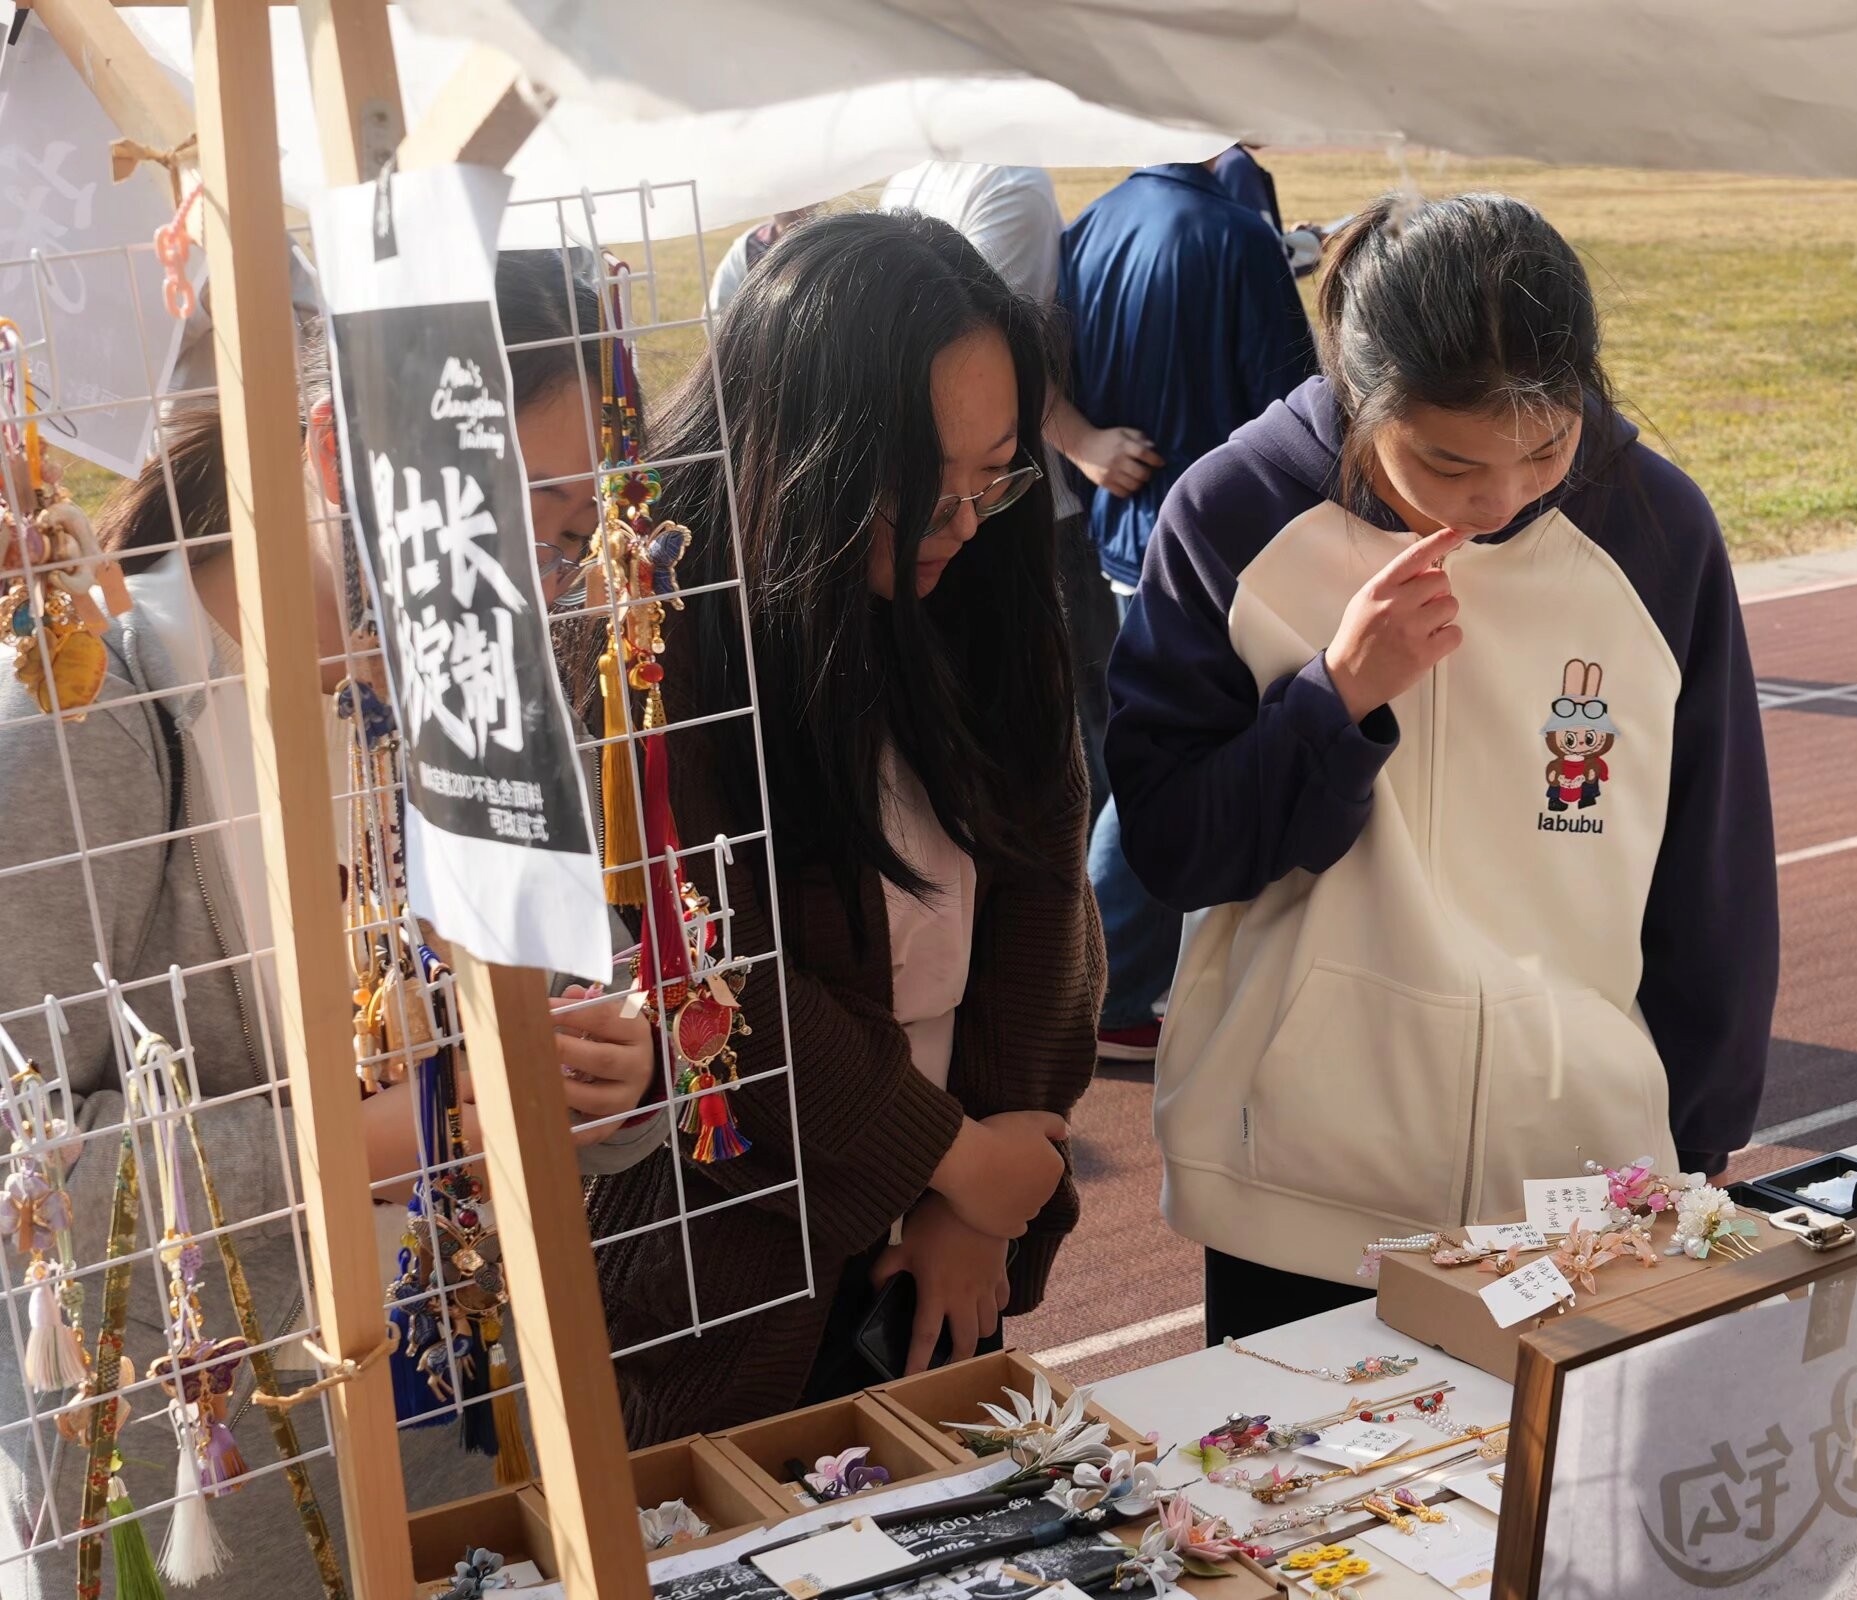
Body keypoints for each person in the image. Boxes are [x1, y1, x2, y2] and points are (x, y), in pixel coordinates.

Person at [0, 251, 653, 1596]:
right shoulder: (93, 719)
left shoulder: (485, 681)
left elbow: (560, 1045)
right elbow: (27, 1174)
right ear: (334, 452)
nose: (542, 577)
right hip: (199, 1513)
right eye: (519, 516)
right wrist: (390, 1132)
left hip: (468, 1463)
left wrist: (616, 1071)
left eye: (569, 530)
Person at [1105, 193, 1779, 1340]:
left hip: (1573, 1181)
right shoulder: (1233, 512)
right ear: (1360, 399)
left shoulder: (1655, 527)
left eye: (1548, 447)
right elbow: (1171, 845)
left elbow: (1712, 855)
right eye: (1449, 461)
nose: (1502, 498)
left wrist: (1702, 1133)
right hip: (1298, 1187)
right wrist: (1333, 699)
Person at [586, 210, 1102, 1441]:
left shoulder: (985, 582)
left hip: (948, 1236)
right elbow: (710, 967)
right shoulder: (653, 627)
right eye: (917, 490)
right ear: (799, 452)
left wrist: (978, 1202)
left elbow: (1045, 893)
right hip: (726, 1254)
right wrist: (949, 1158)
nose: (961, 522)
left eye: (994, 473)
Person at [1061, 152, 1319, 1062]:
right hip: (1214, 553)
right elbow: (1296, 405)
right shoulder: (1237, 235)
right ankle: (1108, 985)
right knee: (1169, 765)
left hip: (1122, 533)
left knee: (1140, 751)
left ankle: (1103, 977)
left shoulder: (1092, 221)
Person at [880, 161, 1157, 808]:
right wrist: (1084, 444)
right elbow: (1000, 350)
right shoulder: (1010, 184)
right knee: (1087, 722)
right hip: (1034, 509)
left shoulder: (913, 180)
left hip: (978, 504)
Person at [705, 205, 821, 316]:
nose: (788, 205)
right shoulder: (748, 247)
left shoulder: (826, 240)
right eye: (779, 195)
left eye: (796, 195)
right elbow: (718, 309)